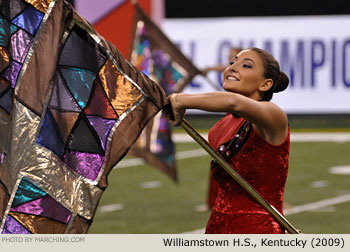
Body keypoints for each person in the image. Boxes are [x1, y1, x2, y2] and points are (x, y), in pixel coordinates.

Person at [168, 47, 290, 234]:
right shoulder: (218, 129)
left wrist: (180, 100)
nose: (232, 68)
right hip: (217, 227)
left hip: (258, 231)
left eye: (246, 65)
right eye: (233, 62)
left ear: (265, 85)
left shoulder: (273, 116)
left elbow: (234, 102)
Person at [202, 47, 242, 210]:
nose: (230, 61)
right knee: (220, 158)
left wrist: (211, 69)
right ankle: (214, 201)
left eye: (233, 57)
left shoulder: (240, 73)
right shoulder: (231, 72)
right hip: (231, 119)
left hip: (239, 116)